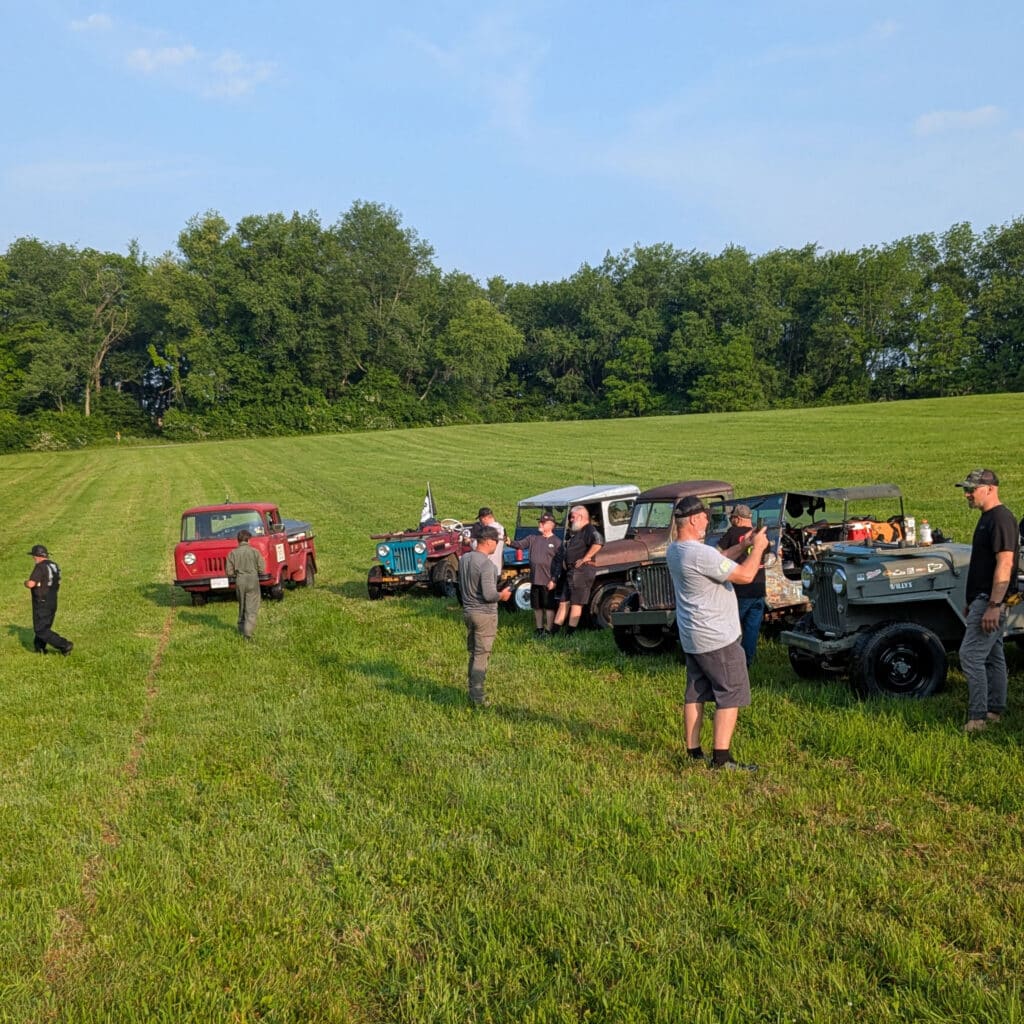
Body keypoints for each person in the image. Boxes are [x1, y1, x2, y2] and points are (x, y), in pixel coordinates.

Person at [666, 495, 769, 771]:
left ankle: (693, 752)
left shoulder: (675, 550)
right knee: (730, 693)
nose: (707, 521)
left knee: (696, 693)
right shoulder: (699, 554)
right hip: (717, 637)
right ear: (693, 520)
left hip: (693, 636)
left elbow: (718, 560)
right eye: (704, 517)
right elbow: (745, 576)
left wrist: (743, 545)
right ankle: (721, 759)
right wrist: (758, 548)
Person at [955, 469, 1019, 732]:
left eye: (972, 489)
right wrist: (972, 600)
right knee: (993, 655)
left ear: (991, 488)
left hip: (991, 601)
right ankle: (994, 710)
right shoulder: (988, 518)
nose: (967, 494)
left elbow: (1005, 564)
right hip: (982, 599)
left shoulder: (1001, 519)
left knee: (970, 655)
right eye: (965, 490)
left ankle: (978, 717)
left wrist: (993, 606)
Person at [457, 525, 512, 706]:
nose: (497, 545)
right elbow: (489, 595)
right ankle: (477, 697)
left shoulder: (465, 559)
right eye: (496, 541)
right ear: (488, 542)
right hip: (484, 615)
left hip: (468, 612)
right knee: (481, 655)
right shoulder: (487, 565)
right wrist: (502, 595)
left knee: (474, 653)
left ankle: (472, 690)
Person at [716, 503, 767, 667]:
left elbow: (717, 554)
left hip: (740, 589)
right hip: (759, 588)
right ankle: (747, 662)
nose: (731, 521)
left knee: (733, 628)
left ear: (737, 519)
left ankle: (730, 662)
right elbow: (767, 557)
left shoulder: (732, 533)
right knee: (752, 629)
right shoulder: (760, 535)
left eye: (732, 518)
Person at [552, 506, 603, 636]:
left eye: (573, 517)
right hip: (571, 572)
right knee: (563, 601)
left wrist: (586, 557)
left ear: (581, 516)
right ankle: (554, 632)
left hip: (581, 572)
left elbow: (599, 542)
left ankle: (570, 633)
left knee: (576, 603)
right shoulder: (577, 532)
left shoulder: (589, 529)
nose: (570, 520)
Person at [519, 513, 562, 637]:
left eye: (543, 523)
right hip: (535, 579)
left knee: (548, 606)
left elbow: (559, 563)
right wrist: (508, 541)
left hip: (548, 581)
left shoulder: (557, 542)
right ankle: (539, 629)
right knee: (536, 606)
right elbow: (519, 545)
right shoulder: (533, 538)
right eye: (540, 522)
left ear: (551, 525)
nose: (540, 524)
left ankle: (548, 630)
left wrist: (554, 580)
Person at [25, 544, 73, 655]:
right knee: (45, 626)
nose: (33, 558)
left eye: (33, 556)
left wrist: (25, 583)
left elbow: (31, 584)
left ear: (37, 556)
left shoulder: (40, 566)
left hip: (42, 601)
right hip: (53, 600)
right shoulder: (54, 566)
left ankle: (64, 645)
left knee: (40, 629)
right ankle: (40, 648)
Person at [225, 529, 265, 640]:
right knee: (251, 607)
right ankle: (248, 633)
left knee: (242, 605)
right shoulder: (255, 552)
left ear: (238, 540)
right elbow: (262, 569)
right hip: (252, 579)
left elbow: (229, 572)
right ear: (248, 540)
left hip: (240, 580)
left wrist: (237, 574)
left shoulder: (232, 553)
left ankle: (241, 628)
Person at [475, 507, 506, 574]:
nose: (480, 522)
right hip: (497, 568)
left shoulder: (488, 531)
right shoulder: (502, 528)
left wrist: (469, 542)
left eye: (480, 519)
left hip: (487, 568)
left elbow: (479, 547)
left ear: (484, 518)